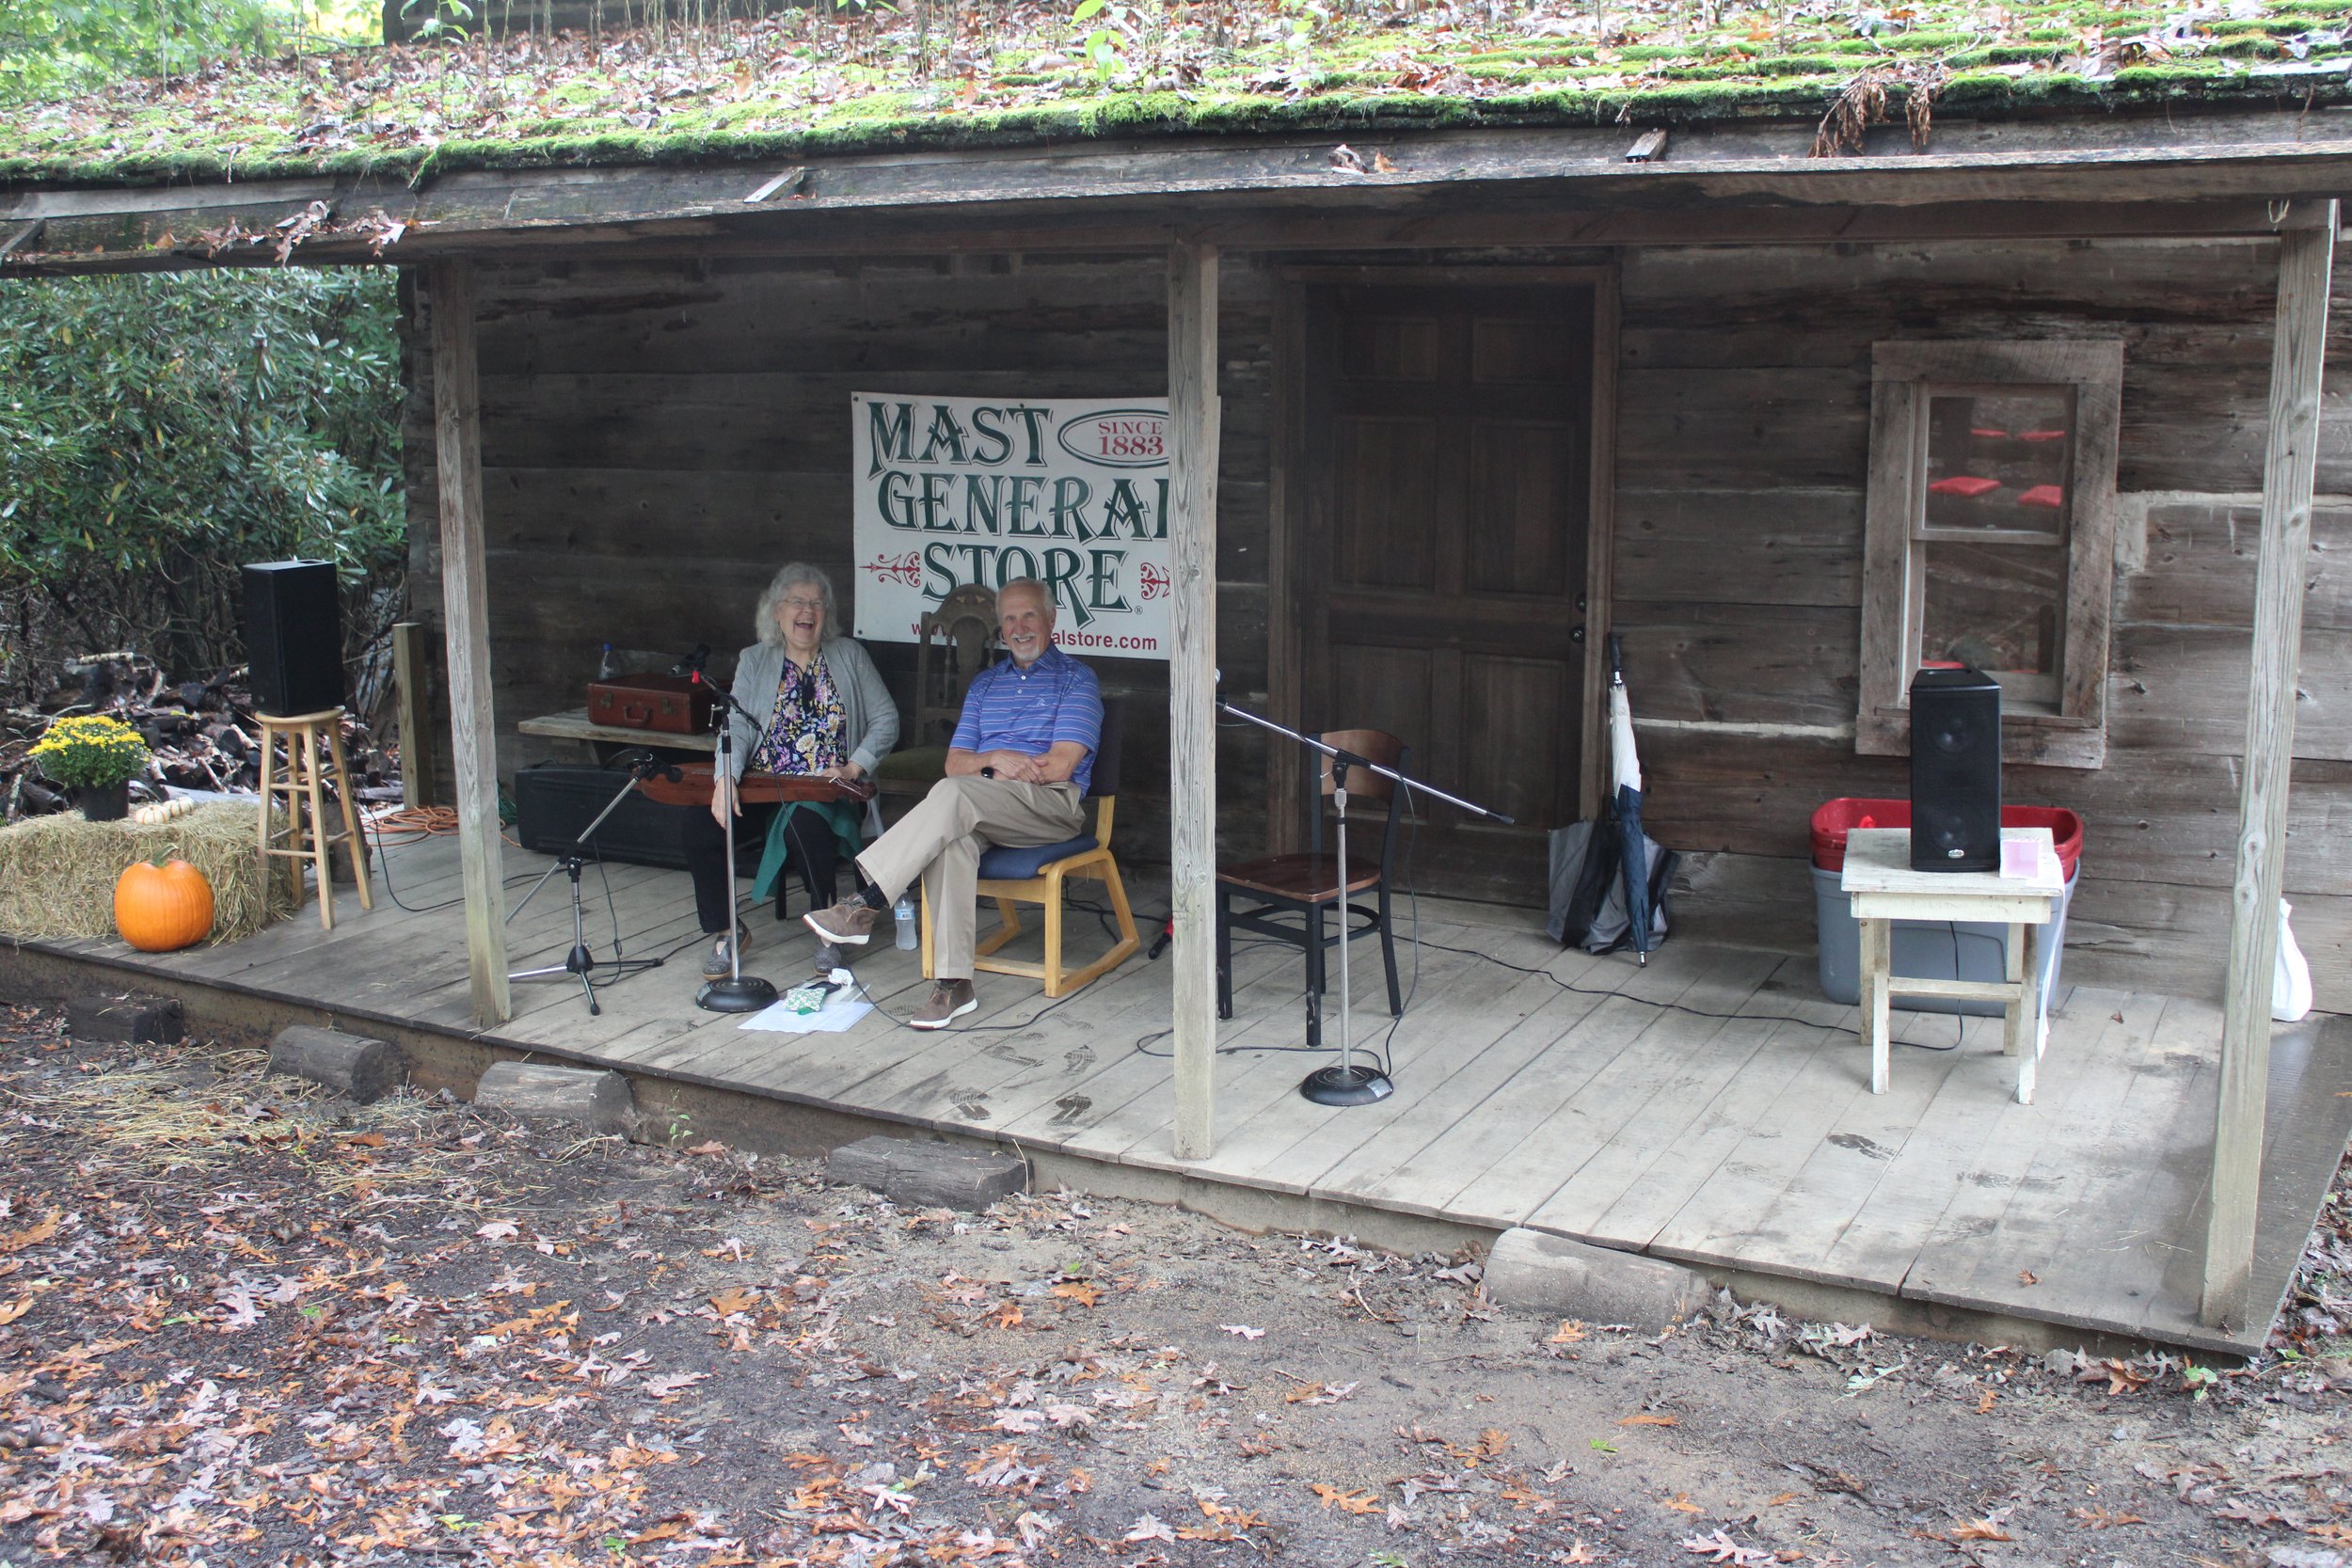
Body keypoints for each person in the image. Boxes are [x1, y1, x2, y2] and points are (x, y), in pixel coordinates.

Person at [805, 578, 1101, 1029]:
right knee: (951, 841)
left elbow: (1059, 766)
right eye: (1009, 618)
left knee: (954, 795)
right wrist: (994, 761)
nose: (1019, 627)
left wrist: (984, 770)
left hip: (1049, 807)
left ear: (1051, 619)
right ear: (1000, 628)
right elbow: (954, 762)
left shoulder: (1076, 680)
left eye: (1029, 615)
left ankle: (865, 901)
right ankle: (953, 984)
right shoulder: (985, 685)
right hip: (981, 803)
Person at [682, 563, 898, 983]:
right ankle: (727, 931)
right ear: (777, 612)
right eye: (797, 602)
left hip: (826, 790)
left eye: (817, 603)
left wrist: (853, 767)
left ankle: (830, 931)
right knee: (699, 826)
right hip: (763, 786)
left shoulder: (849, 656)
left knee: (805, 823)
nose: (808, 611)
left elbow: (886, 718)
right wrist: (725, 778)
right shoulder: (755, 660)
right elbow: (737, 727)